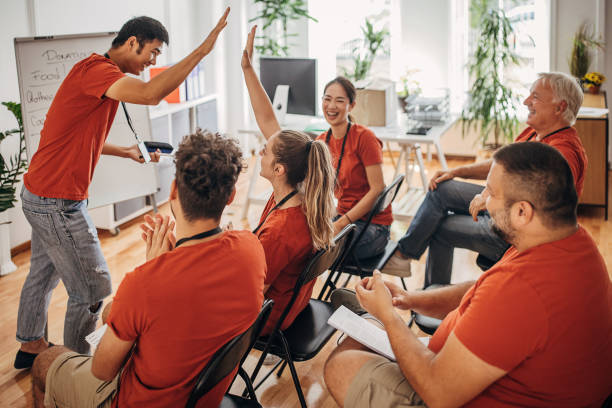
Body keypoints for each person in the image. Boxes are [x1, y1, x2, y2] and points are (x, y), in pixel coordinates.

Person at [15, 9, 230, 367]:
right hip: (56, 201)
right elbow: (150, 95)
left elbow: (75, 135)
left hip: (41, 194)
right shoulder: (97, 72)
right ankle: (77, 370)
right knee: (92, 291)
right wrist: (204, 50)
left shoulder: (99, 75)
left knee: (42, 272)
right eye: (153, 52)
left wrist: (125, 151)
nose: (154, 61)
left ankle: (30, 346)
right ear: (133, 42)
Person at [324, 142, 612, 407]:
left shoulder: (521, 290)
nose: (482, 200)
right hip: (473, 369)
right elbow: (479, 289)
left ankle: (370, 320)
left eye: (490, 192)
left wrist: (388, 317)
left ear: (522, 212)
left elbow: (439, 393)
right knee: (366, 336)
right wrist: (409, 299)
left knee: (340, 363)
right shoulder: (566, 242)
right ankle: (370, 320)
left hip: (450, 389)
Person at [30, 130, 267, 408]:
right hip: (205, 397)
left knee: (44, 361)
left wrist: (155, 269)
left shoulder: (144, 284)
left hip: (138, 402)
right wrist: (168, 263)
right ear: (231, 196)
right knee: (114, 316)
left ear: (173, 190)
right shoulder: (252, 248)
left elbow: (102, 370)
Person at [383, 72, 587, 286]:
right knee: (442, 188)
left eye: (535, 97)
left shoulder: (563, 154)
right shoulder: (534, 133)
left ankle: (431, 303)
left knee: (440, 228)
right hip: (503, 207)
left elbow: (538, 209)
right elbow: (501, 164)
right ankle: (403, 257)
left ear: (560, 107)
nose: (527, 102)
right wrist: (457, 171)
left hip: (516, 234)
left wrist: (489, 198)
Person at [241, 26, 336, 334]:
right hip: (290, 304)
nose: (260, 153)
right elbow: (268, 120)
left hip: (268, 319)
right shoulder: (300, 194)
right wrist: (247, 69)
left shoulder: (281, 231)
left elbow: (251, 298)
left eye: (265, 152)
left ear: (279, 169)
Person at [318, 76, 393, 261]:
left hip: (373, 226)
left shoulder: (364, 137)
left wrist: (342, 222)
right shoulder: (321, 142)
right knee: (302, 241)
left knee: (316, 252)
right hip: (342, 218)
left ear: (351, 106)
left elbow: (377, 189)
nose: (331, 106)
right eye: (327, 99)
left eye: (339, 100)